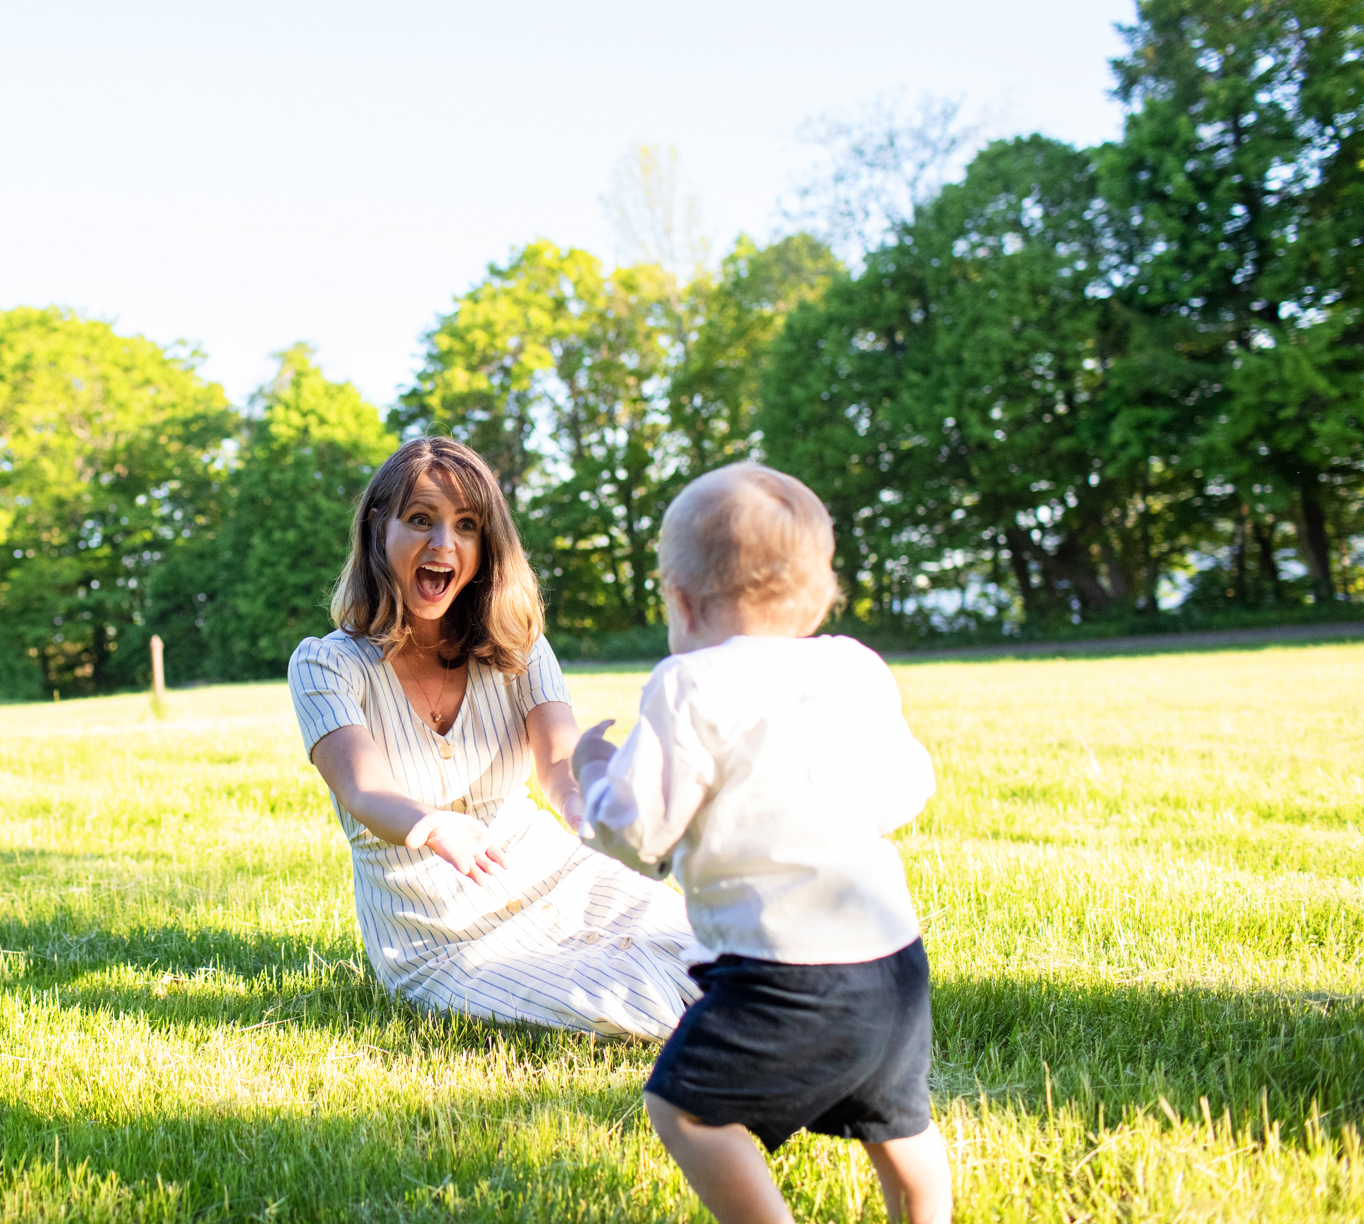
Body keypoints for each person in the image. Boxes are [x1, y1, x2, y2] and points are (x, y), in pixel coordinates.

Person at [574, 463, 952, 1224]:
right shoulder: (854, 667)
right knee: (900, 1124)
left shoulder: (686, 684)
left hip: (783, 973)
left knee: (685, 1109)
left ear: (679, 600)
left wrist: (594, 774)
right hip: (893, 963)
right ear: (819, 591)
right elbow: (906, 788)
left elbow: (639, 826)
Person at [286, 437, 710, 1040]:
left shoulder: (518, 645)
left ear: (487, 547)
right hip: (439, 933)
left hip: (556, 874)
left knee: (720, 949)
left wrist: (582, 804)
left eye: (466, 525)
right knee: (625, 998)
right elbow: (362, 787)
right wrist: (431, 825)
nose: (443, 545)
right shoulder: (326, 666)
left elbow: (558, 758)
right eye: (420, 520)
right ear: (379, 529)